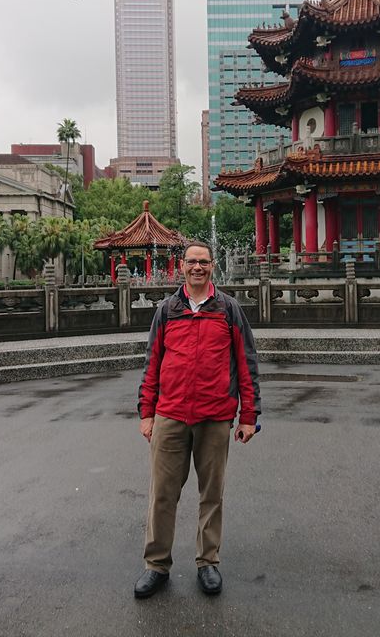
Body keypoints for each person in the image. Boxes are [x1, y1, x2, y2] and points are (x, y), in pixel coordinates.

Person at [133, 241, 261, 599]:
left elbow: (247, 362)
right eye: (191, 261)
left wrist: (248, 416)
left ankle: (208, 562)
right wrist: (146, 412)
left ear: (212, 266)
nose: (197, 267)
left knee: (211, 494)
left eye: (203, 261)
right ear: (182, 266)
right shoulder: (167, 309)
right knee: (162, 494)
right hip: (170, 414)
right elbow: (152, 361)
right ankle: (156, 565)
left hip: (215, 415)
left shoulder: (228, 309)